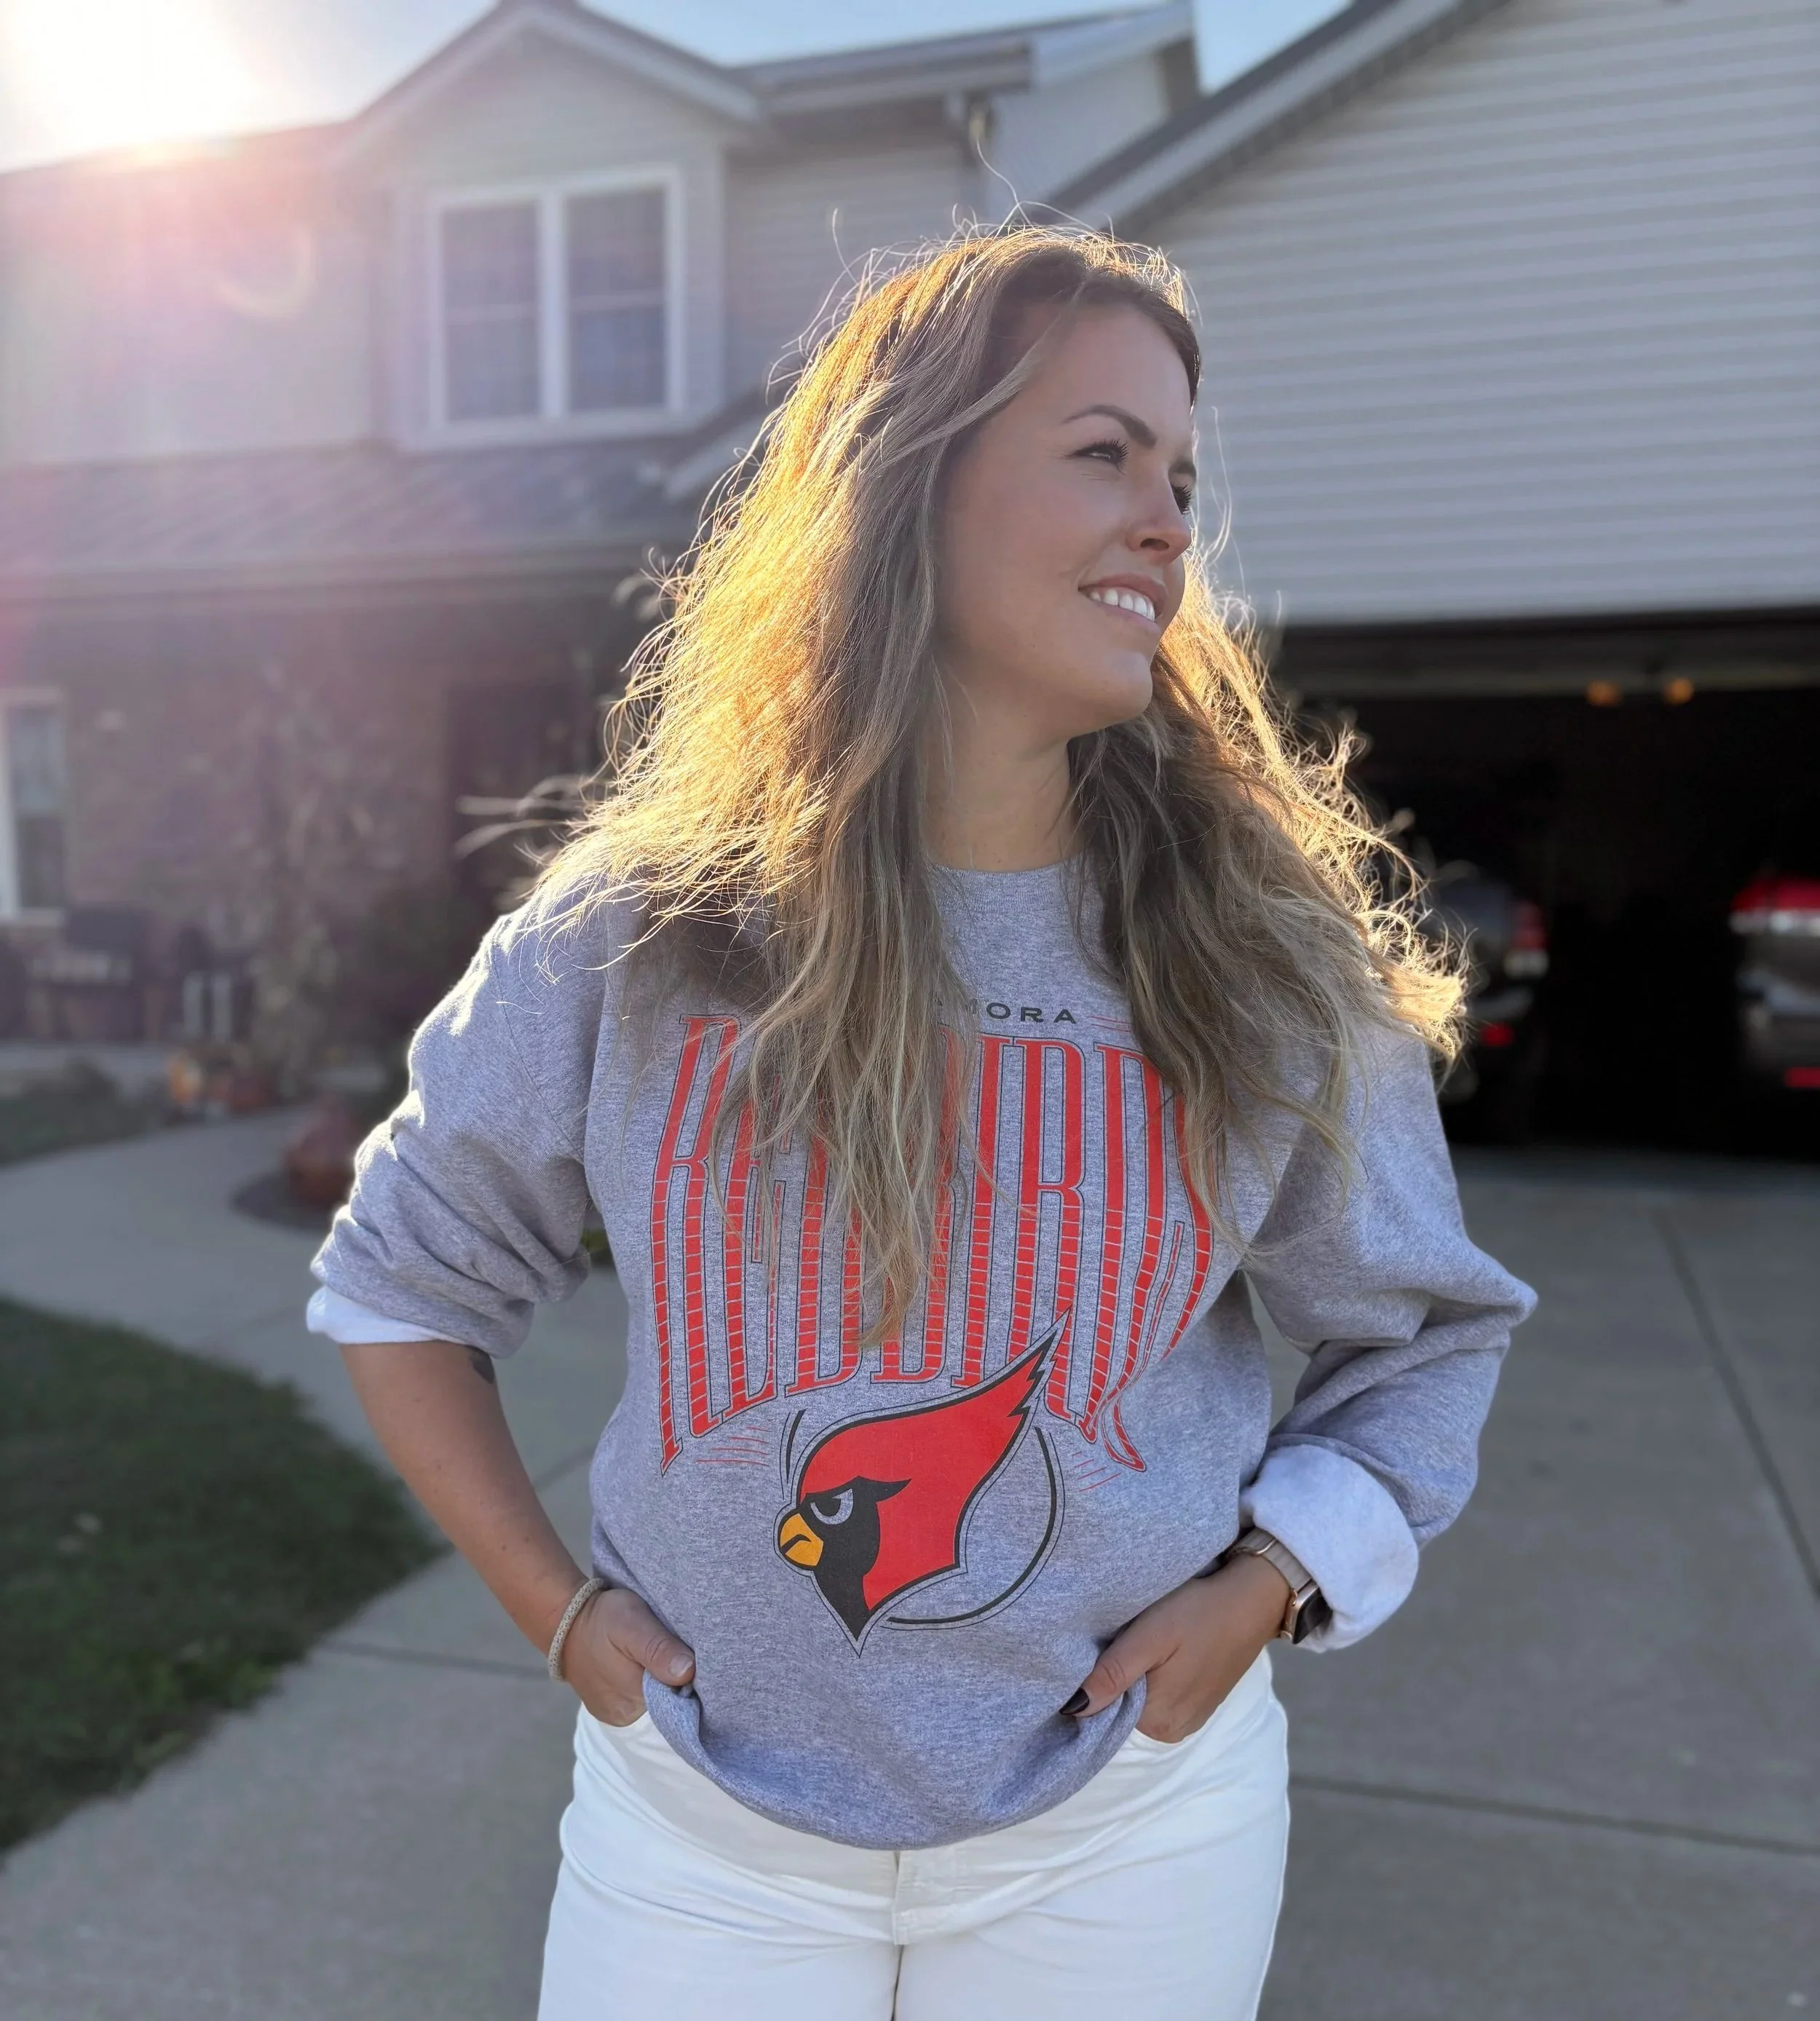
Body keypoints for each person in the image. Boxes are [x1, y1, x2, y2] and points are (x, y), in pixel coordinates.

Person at [307, 227, 1535, 2020]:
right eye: (1103, 452)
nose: (1167, 523)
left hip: (1121, 1829)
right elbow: (402, 1281)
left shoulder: (1252, 952)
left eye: (1180, 475)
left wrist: (1265, 1587)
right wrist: (561, 1615)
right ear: (909, 479)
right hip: (700, 1839)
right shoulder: (640, 934)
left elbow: (1420, 1338)